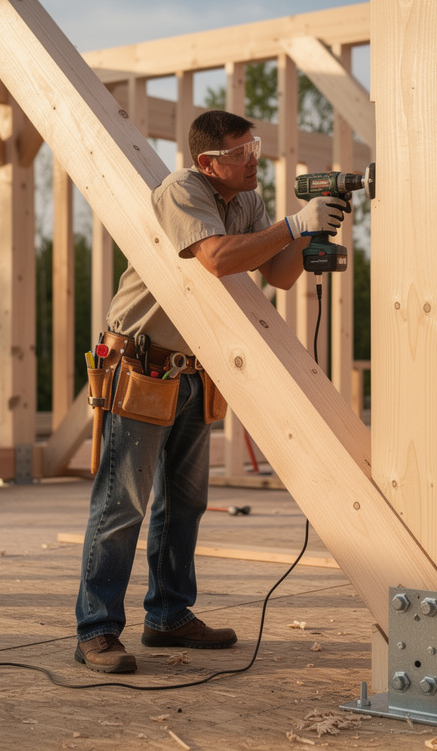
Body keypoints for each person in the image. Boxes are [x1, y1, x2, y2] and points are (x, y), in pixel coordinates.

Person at [74, 109, 348, 673]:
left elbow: (277, 273)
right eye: (242, 152)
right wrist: (296, 225)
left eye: (256, 146)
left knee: (186, 505)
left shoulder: (247, 199)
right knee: (121, 504)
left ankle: (169, 617)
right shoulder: (181, 189)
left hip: (196, 367)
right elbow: (219, 259)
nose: (255, 159)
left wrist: (314, 229)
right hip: (141, 364)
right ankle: (96, 631)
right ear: (208, 162)